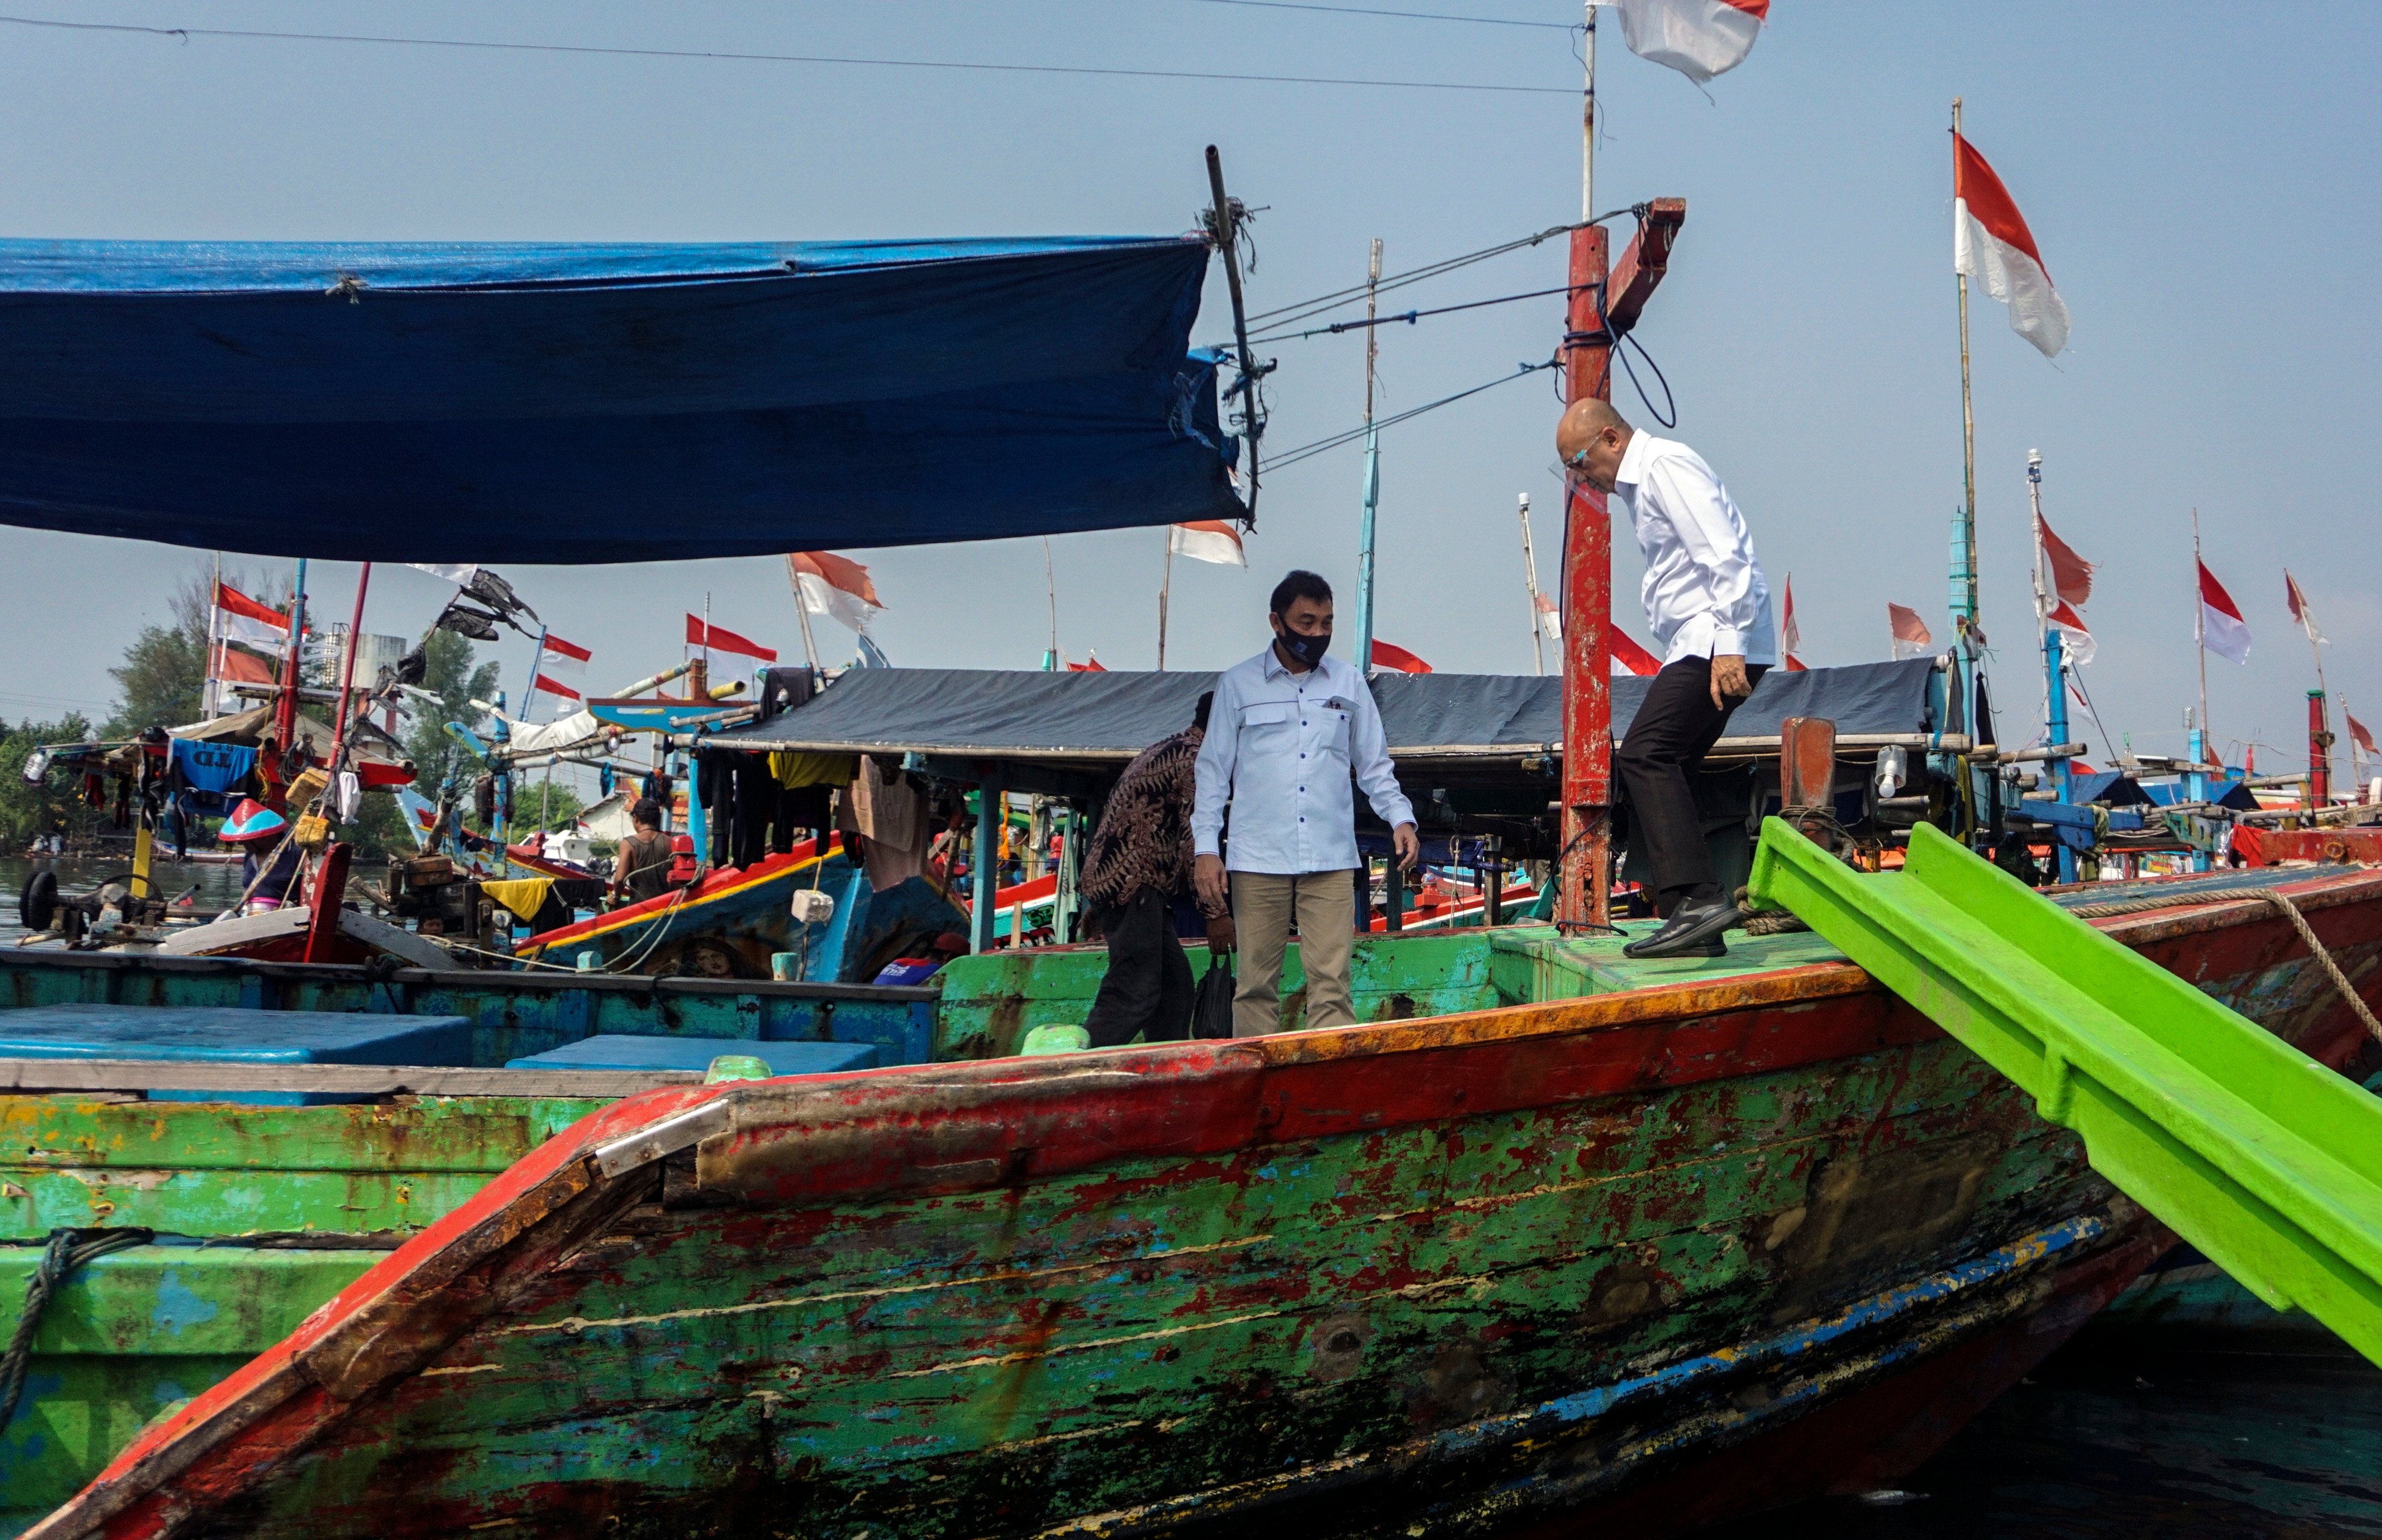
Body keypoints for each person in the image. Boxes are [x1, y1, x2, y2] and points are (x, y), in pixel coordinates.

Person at [1557, 397, 1775, 959]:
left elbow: (1725, 552)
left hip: (1716, 637)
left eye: (1580, 460)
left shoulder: (1662, 466)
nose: (1581, 476)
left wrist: (1729, 640)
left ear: (1610, 438)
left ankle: (1698, 900)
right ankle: (1694, 918)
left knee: (1645, 755)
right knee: (1669, 761)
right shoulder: (1641, 483)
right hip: (1703, 639)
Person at [1194, 571, 1420, 1037]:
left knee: (1333, 984)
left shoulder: (1348, 682)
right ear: (1277, 622)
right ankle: (1255, 1085)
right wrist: (1205, 850)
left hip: (1330, 857)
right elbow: (1212, 774)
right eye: (1306, 621)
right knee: (1255, 985)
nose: (1317, 633)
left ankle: (1326, 1088)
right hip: (1257, 859)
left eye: (1327, 623)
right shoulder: (1237, 686)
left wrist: (1400, 817)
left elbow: (1374, 765)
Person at [1078, 693, 1234, 1047]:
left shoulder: (1168, 747)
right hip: (1136, 886)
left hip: (1125, 885)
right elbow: (1195, 842)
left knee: (1175, 988)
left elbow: (1122, 822)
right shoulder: (1198, 762)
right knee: (1134, 991)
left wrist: (1099, 899)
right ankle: (1079, 1064)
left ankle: (1168, 1061)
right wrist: (1215, 914)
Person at [609, 799, 675, 906]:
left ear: (636, 819)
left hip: (639, 908)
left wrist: (615, 897)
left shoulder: (628, 843)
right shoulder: (670, 842)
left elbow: (620, 879)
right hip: (665, 906)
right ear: (657, 819)